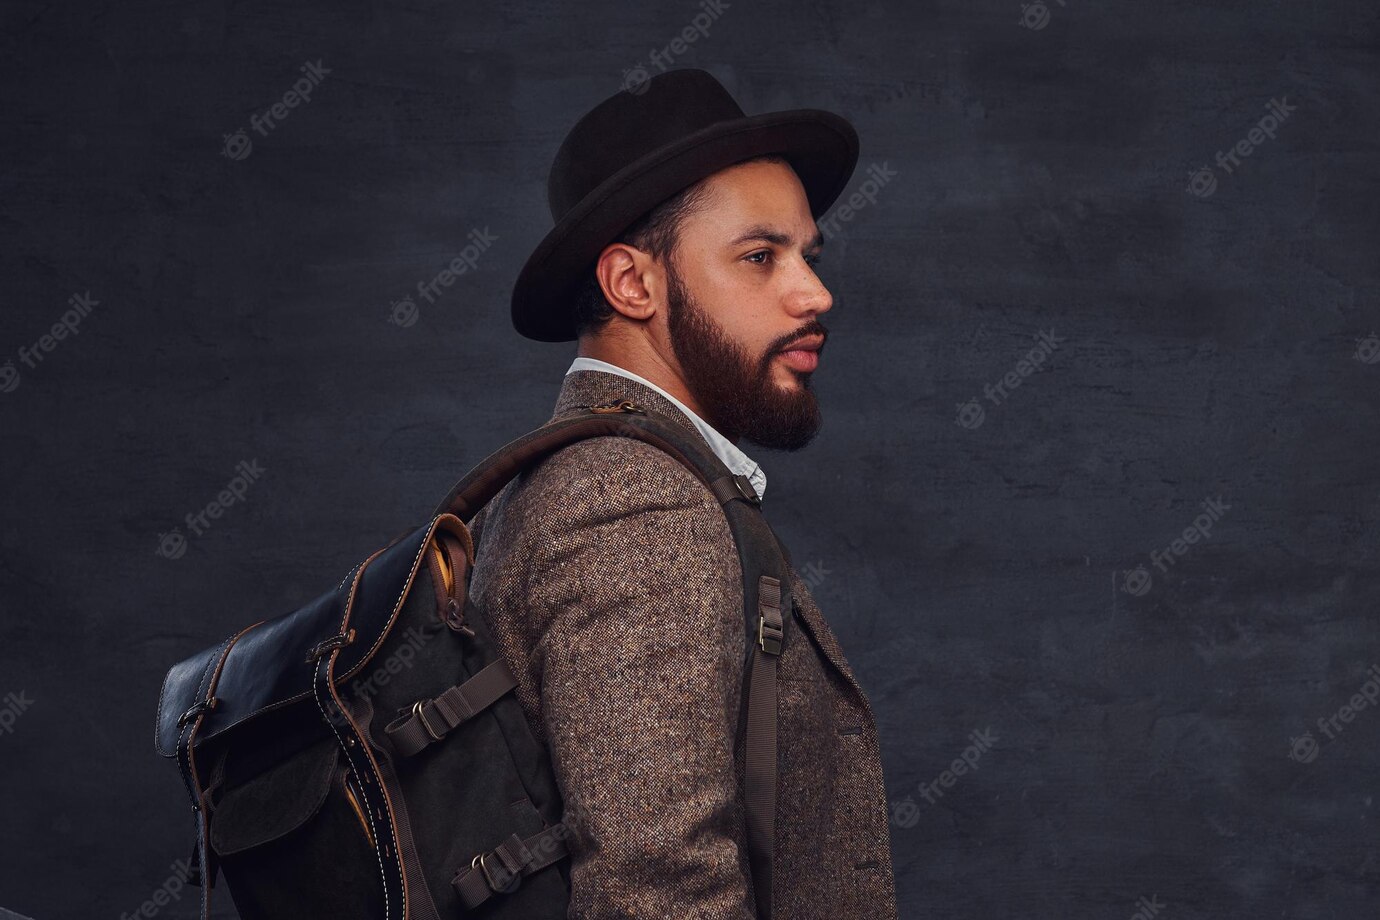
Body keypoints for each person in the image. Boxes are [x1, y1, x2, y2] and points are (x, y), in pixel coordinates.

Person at [467, 67, 899, 919]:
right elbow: (656, 888)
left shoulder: (575, 479)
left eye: (808, 256)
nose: (816, 293)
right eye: (759, 256)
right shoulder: (630, 503)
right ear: (634, 285)